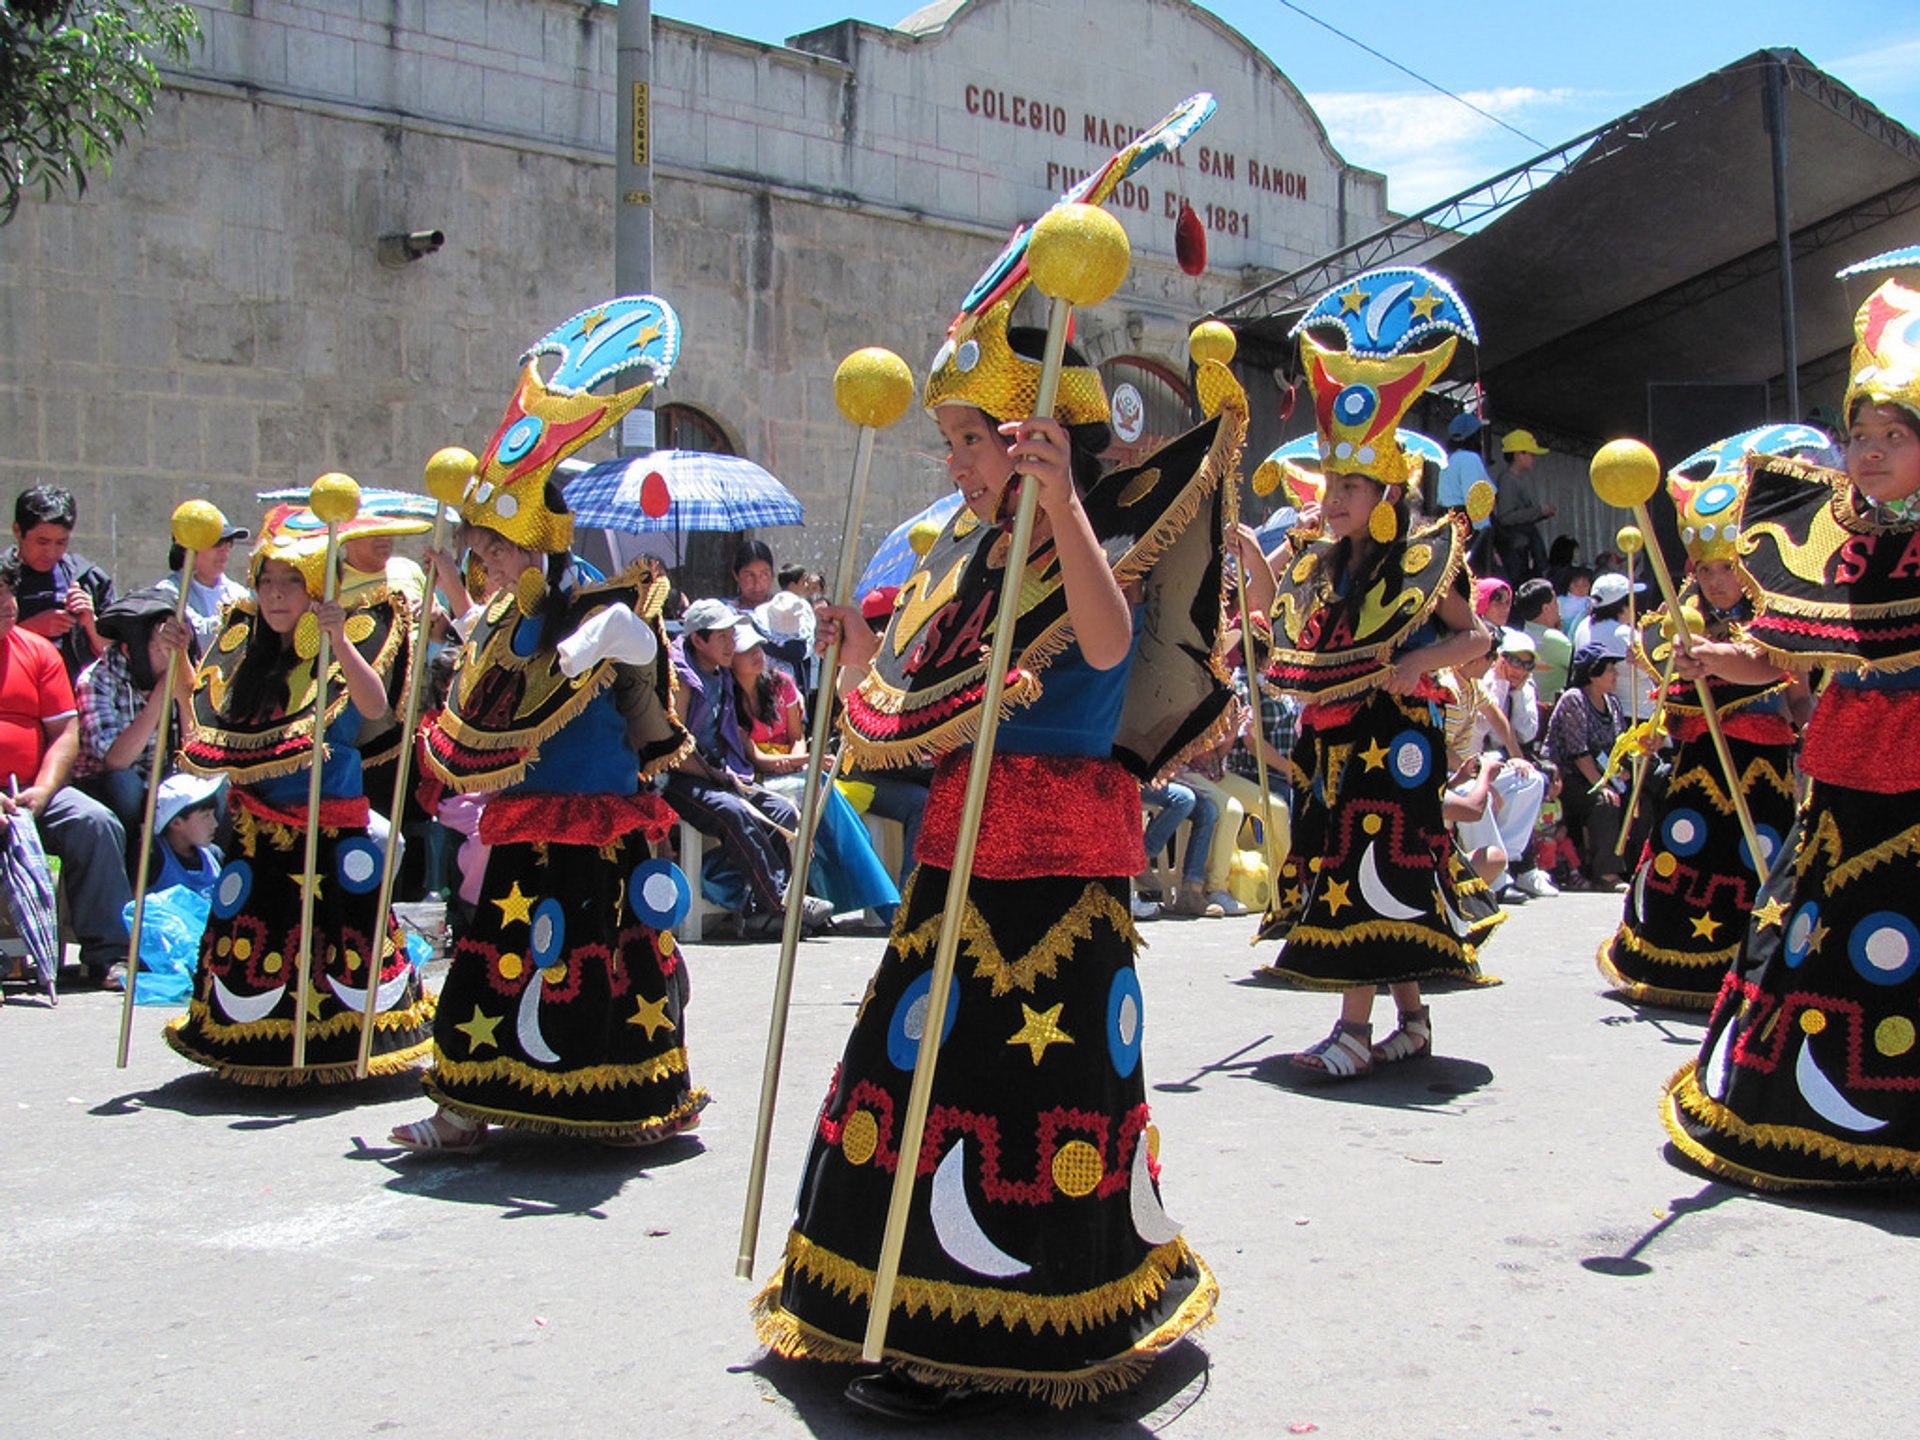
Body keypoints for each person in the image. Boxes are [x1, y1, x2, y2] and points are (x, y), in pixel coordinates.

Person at [754, 198, 1232, 1412]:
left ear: (1031, 440)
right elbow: (909, 713)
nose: (956, 465)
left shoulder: (1088, 535)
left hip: (1054, 882)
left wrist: (1063, 502)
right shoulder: (957, 565)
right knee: (917, 1082)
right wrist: (856, 665)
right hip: (952, 868)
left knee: (1016, 1105)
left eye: (970, 441)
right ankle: (895, 1314)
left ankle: (997, 1349)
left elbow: (1113, 641)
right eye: (952, 446)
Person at [399, 293, 707, 1149]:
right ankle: (465, 1106)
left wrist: (634, 646)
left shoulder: (610, 607)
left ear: (536, 540)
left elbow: (656, 727)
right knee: (498, 963)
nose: (486, 561)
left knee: (608, 971)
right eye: (482, 550)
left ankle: (618, 1101)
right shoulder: (499, 625)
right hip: (525, 824)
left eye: (496, 548)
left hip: (602, 827)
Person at [1663, 266, 1920, 1188]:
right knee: (1817, 939)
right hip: (1845, 779)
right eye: (1859, 435)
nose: (1871, 452)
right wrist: (1710, 662)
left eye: (1894, 436)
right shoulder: (1835, 554)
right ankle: (1802, 1108)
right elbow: (1781, 664)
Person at [1256, 265, 1501, 1082]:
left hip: (1398, 739)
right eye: (1330, 482)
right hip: (1335, 738)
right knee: (1365, 868)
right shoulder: (1322, 567)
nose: (1333, 496)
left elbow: (1481, 643)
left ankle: (1354, 1030)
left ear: (1388, 488)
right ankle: (1413, 1021)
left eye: (1351, 484)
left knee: (1373, 867)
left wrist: (1423, 659)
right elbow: (1297, 645)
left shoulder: (1433, 561)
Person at [164, 503, 436, 1083]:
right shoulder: (244, 653)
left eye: (291, 583)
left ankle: (342, 1049)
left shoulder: (349, 639)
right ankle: (256, 1049)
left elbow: (374, 708)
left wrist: (337, 639)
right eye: (267, 583)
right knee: (260, 942)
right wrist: (181, 658)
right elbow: (204, 734)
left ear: (315, 590)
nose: (276, 595)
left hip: (332, 827)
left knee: (341, 942)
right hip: (260, 831)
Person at [1598, 451, 1802, 1008]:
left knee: (1753, 863)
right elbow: (1676, 696)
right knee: (1678, 857)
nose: (1715, 581)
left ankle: (1751, 969)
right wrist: (1659, 722)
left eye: (1726, 567)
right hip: (1698, 769)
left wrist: (1716, 659)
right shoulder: (1683, 620)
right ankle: (1666, 966)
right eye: (1706, 569)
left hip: (1759, 775)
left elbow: (1783, 674)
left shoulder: (1779, 618)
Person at [0, 552, 135, 993]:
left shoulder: (36, 651)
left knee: (94, 823)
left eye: (8, 594)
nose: (6, 604)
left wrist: (42, 789)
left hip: (35, 789)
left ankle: (108, 955)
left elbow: (65, 732)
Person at [664, 597, 830, 939]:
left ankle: (759, 913)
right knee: (733, 811)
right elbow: (676, 749)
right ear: (698, 640)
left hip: (719, 775)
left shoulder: (721, 676)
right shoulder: (681, 677)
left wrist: (729, 775)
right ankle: (782, 903)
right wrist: (716, 776)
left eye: (731, 634)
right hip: (684, 780)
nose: (731, 643)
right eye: (722, 636)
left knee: (782, 810)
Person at [727, 618, 898, 923]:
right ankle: (864, 892)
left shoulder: (781, 683)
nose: (755, 654)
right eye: (744, 650)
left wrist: (799, 759)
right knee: (813, 790)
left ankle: (851, 891)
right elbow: (754, 758)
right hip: (760, 778)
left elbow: (795, 737)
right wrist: (805, 761)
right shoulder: (728, 696)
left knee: (817, 789)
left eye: (756, 646)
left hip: (795, 768)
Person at [73, 585, 198, 843]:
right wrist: (160, 696)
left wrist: (182, 684)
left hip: (164, 783)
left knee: (211, 787)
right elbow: (116, 761)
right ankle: (134, 864)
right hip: (108, 787)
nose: (169, 661)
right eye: (161, 652)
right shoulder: (96, 680)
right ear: (130, 650)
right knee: (125, 783)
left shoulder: (181, 670)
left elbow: (196, 751)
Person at [8, 484, 115, 681]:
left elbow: (118, 660)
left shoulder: (89, 579)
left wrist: (91, 626)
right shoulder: (3, 580)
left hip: (74, 701)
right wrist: (30, 629)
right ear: (17, 530)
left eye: (61, 543)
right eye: (42, 542)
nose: (51, 552)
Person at [1544, 643, 1629, 888]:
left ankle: (1631, 863)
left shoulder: (1612, 703)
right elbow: (1578, 753)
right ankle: (1605, 874)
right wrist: (1602, 785)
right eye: (1610, 670)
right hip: (1568, 775)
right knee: (1604, 801)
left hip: (1598, 771)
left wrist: (1620, 773)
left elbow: (1617, 746)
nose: (1616, 675)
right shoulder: (1575, 700)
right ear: (1593, 673)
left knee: (1637, 796)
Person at [160, 522, 251, 649]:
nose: (224, 549)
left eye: (228, 542)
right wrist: (244, 614)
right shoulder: (167, 592)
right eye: (216, 542)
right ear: (187, 549)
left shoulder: (238, 593)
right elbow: (197, 638)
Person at [148, 771, 225, 896]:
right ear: (176, 823)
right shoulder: (153, 857)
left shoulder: (214, 855)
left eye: (213, 814)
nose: (215, 823)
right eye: (206, 816)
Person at [1492, 429, 1555, 580]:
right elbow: (1505, 517)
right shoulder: (1508, 479)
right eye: (1531, 454)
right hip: (1515, 548)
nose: (1534, 458)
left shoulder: (1517, 479)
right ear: (1518, 454)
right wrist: (1539, 511)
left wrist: (1541, 513)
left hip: (1522, 546)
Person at [1436, 412, 1495, 571]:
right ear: (1474, 436)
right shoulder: (1470, 458)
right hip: (1468, 522)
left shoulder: (1447, 459)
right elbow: (1474, 494)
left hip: (1447, 521)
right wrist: (1483, 527)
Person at [1513, 577, 1572, 707]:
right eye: (1555, 602)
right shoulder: (1555, 639)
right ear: (1546, 608)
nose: (1558, 607)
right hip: (1553, 710)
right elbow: (1581, 670)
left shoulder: (1521, 636)